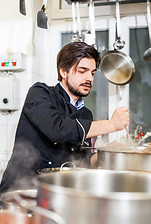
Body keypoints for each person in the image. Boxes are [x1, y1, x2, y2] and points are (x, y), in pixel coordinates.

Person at [0, 42, 129, 194]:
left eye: (93, 73)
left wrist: (104, 155)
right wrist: (112, 124)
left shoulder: (86, 114)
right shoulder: (40, 93)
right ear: (63, 71)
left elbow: (82, 160)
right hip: (20, 191)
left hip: (56, 193)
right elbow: (58, 129)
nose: (89, 78)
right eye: (83, 71)